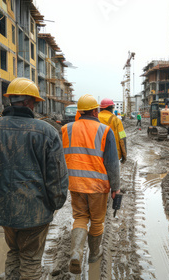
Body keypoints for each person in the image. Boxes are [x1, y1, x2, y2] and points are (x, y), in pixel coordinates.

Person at [0, 78, 69, 280]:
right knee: (30, 260)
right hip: (36, 212)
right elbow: (57, 175)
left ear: (11, 100)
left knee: (14, 252)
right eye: (35, 102)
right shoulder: (47, 132)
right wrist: (55, 203)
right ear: (29, 102)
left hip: (5, 209)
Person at [62, 94, 120, 274]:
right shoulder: (104, 130)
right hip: (97, 185)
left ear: (79, 112)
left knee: (80, 217)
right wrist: (115, 187)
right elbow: (112, 162)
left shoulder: (66, 129)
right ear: (96, 111)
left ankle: (76, 253)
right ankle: (94, 253)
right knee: (96, 220)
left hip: (75, 183)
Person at [98, 98, 127, 164]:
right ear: (111, 108)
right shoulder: (116, 120)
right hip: (113, 155)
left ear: (101, 108)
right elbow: (122, 138)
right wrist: (124, 155)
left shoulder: (95, 118)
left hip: (97, 155)